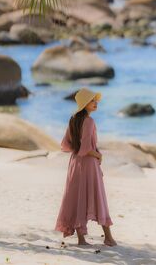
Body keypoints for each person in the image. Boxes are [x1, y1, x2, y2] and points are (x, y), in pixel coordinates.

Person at [54, 87, 117, 246]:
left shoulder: (73, 119)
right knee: (98, 197)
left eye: (95, 100)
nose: (95, 103)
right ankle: (108, 238)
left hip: (75, 164)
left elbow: (66, 144)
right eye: (92, 100)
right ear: (84, 104)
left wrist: (82, 150)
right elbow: (87, 148)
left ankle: (81, 239)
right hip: (88, 165)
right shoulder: (89, 121)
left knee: (78, 198)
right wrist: (99, 155)